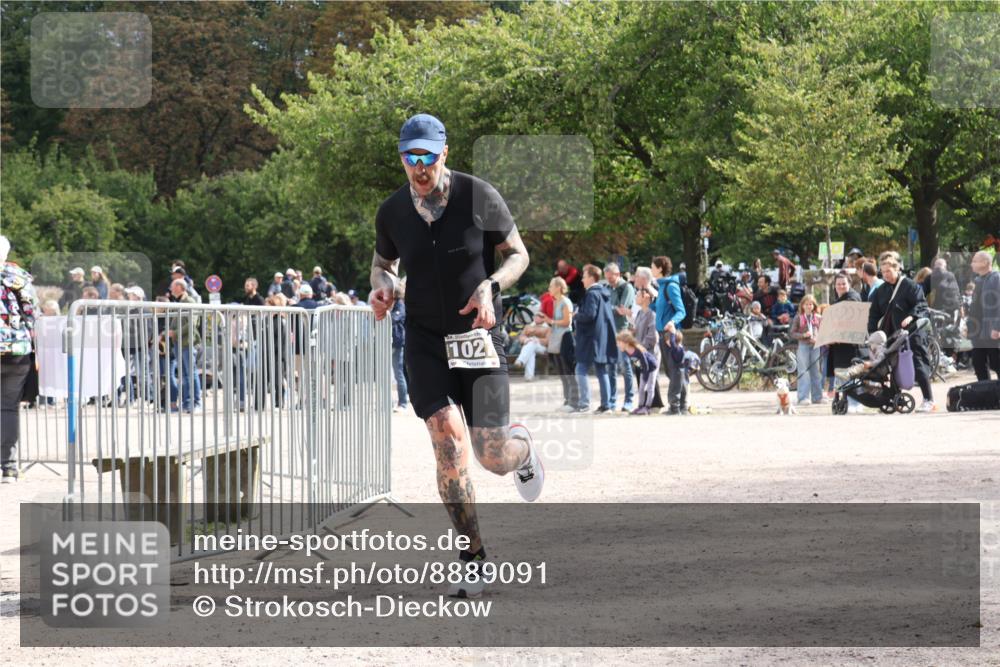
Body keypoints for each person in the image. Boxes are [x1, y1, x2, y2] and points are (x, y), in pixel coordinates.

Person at [369, 112, 543, 598]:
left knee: (492, 456)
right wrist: (381, 289)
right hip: (425, 340)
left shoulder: (478, 196)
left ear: (444, 153)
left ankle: (522, 449)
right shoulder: (392, 212)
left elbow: (518, 255)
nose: (418, 167)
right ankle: (473, 557)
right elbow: (383, 265)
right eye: (410, 158)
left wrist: (489, 286)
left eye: (427, 157)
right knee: (447, 441)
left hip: (478, 335)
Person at [867, 250, 935, 412]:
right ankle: (893, 398)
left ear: (897, 270)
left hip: (912, 333)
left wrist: (911, 317)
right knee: (891, 366)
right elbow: (874, 313)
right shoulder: (880, 291)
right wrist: (871, 334)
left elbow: (921, 305)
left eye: (889, 271)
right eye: (883, 272)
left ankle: (928, 399)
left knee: (918, 364)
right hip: (891, 334)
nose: (886, 275)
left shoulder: (910, 286)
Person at [1, 236, 37, 482]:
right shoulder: (19, 277)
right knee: (9, 408)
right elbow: (31, 312)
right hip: (17, 349)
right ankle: (9, 466)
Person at [573, 264, 617, 413]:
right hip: (600, 337)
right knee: (601, 370)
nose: (582, 280)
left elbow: (590, 315)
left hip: (590, 338)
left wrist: (576, 316)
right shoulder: (603, 293)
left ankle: (585, 404)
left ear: (592, 278)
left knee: (581, 369)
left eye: (584, 277)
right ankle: (606, 405)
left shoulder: (592, 294)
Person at [652, 256, 686, 415]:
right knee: (673, 370)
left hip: (670, 333)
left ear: (660, 268)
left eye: (653, 267)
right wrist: (649, 303)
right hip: (662, 333)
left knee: (675, 370)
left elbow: (681, 310)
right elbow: (661, 309)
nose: (652, 270)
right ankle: (682, 405)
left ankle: (675, 406)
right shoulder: (661, 287)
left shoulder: (671, 286)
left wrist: (672, 322)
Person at [164, 278, 202, 412]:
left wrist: (174, 333)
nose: (170, 289)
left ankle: (196, 402)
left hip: (187, 343)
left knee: (191, 373)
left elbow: (192, 323)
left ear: (180, 287)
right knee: (185, 374)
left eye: (172, 286)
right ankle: (187, 403)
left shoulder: (190, 302)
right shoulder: (179, 302)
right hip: (179, 343)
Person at [827, 272, 862, 412]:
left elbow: (851, 322)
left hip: (850, 345)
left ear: (849, 284)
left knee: (850, 373)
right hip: (839, 345)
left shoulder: (852, 298)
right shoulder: (838, 300)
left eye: (843, 284)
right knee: (841, 374)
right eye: (838, 284)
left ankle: (855, 403)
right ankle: (847, 401)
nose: (841, 286)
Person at [542, 276, 577, 412]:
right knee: (562, 372)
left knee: (568, 371)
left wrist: (550, 321)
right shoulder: (555, 302)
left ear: (558, 287)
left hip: (565, 338)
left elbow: (567, 322)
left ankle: (574, 402)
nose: (549, 288)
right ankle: (567, 400)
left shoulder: (565, 301)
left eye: (551, 286)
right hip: (557, 338)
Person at [604, 262, 635, 413]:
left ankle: (629, 400)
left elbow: (621, 309)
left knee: (625, 367)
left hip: (623, 332)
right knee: (610, 368)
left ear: (618, 274)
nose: (609, 281)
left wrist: (609, 309)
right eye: (607, 279)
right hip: (610, 331)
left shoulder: (627, 287)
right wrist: (611, 309)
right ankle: (612, 401)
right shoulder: (608, 288)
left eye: (611, 278)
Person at [967, 250, 1000, 381]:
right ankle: (986, 396)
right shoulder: (978, 280)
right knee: (978, 363)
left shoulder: (996, 278)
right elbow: (976, 308)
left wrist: (997, 327)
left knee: (996, 363)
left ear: (985, 263)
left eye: (975, 261)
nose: (971, 264)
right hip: (978, 331)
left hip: (992, 330)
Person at [791, 294, 824, 406]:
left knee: (816, 371)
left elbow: (823, 331)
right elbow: (792, 333)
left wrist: (819, 338)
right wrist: (803, 335)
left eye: (811, 304)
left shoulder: (819, 317)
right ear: (802, 305)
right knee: (803, 371)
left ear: (814, 305)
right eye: (806, 304)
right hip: (803, 346)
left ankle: (817, 397)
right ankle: (803, 397)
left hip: (815, 346)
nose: (809, 306)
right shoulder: (798, 317)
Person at [616, 331, 659, 415]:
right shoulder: (626, 351)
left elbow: (646, 364)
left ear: (626, 343)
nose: (618, 345)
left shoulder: (638, 350)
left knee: (650, 387)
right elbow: (636, 362)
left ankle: (647, 408)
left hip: (652, 366)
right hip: (644, 368)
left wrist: (645, 378)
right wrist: (641, 370)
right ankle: (640, 407)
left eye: (619, 343)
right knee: (641, 388)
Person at [513, 313, 550, 381]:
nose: (536, 318)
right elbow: (521, 336)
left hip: (542, 347)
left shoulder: (547, 328)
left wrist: (538, 340)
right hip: (529, 346)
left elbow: (548, 340)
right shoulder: (528, 326)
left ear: (543, 319)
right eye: (535, 316)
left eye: (539, 317)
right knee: (531, 351)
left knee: (532, 343)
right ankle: (529, 376)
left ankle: (520, 360)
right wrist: (526, 339)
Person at [660, 321, 687, 414]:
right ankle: (682, 408)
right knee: (681, 389)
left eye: (667, 340)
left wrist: (672, 331)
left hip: (677, 373)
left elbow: (672, 341)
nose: (667, 342)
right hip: (678, 373)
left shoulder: (677, 349)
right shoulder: (678, 348)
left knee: (674, 391)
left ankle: (675, 410)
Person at [390, 280, 409, 412]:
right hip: (394, 341)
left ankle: (403, 403)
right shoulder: (396, 304)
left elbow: (394, 318)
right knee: (396, 373)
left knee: (399, 374)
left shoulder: (400, 305)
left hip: (397, 342)